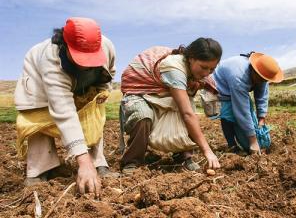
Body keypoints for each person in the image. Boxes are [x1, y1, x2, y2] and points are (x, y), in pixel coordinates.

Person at [14, 17, 118, 197]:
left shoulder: (106, 46)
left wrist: (102, 92)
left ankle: (98, 162)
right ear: (65, 45)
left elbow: (110, 71)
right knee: (38, 118)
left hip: (85, 84)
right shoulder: (51, 60)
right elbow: (64, 113)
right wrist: (82, 164)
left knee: (93, 114)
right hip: (39, 88)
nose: (85, 63)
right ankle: (39, 170)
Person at [120, 38, 222, 173]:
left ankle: (183, 157)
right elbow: (187, 114)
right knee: (142, 117)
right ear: (191, 58)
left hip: (164, 92)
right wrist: (207, 151)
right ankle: (132, 161)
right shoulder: (174, 68)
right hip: (141, 92)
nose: (206, 73)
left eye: (212, 69)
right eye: (203, 67)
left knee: (186, 110)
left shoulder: (198, 72)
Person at [212, 52, 284, 154]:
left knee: (250, 121)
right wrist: (253, 141)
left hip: (237, 85)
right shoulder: (239, 77)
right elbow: (242, 111)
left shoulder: (262, 74)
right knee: (228, 115)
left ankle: (248, 138)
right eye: (261, 79)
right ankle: (232, 146)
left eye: (265, 80)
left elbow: (262, 95)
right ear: (254, 70)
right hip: (220, 87)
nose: (262, 81)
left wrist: (261, 118)